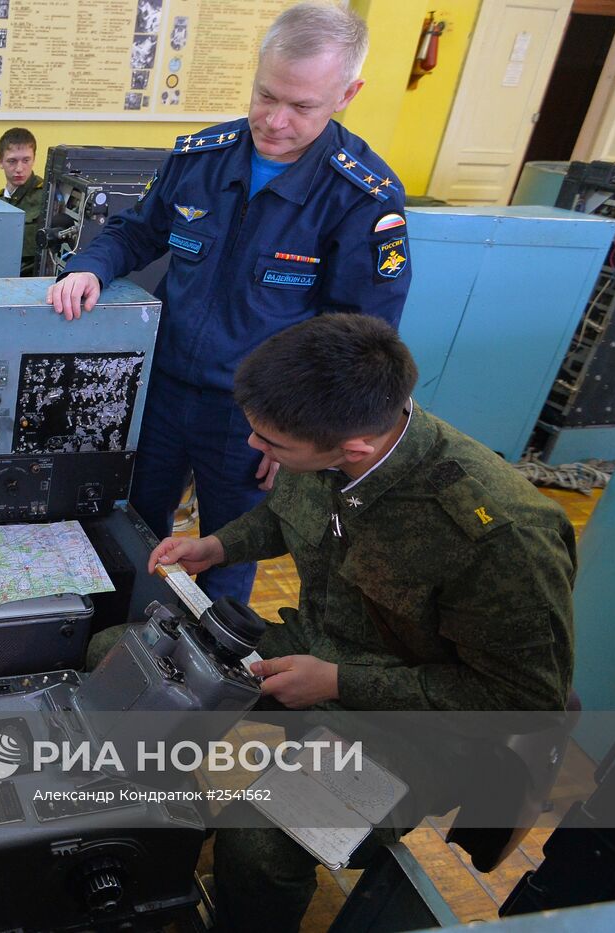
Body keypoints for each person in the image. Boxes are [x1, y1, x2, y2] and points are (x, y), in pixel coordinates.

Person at [138, 314, 576, 932]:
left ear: (355, 451)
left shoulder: (502, 538)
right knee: (132, 665)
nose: (253, 451)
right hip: (311, 649)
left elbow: (525, 700)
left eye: (273, 447)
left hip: (418, 728)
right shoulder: (323, 438)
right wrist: (216, 547)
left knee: (259, 839)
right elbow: (286, 516)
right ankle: (154, 840)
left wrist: (340, 683)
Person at [46, 1, 412, 605]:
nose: (273, 121)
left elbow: (362, 339)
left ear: (348, 93)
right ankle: (119, 645)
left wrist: (300, 434)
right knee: (126, 531)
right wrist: (87, 267)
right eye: (265, 95)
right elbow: (136, 231)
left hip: (251, 421)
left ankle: (207, 679)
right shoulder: (202, 157)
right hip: (158, 394)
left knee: (228, 553)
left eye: (302, 107)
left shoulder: (363, 197)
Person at [0, 127, 45, 276]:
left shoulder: (46, 197)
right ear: (0, 162)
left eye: (26, 160)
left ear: (34, 159)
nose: (19, 168)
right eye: (12, 161)